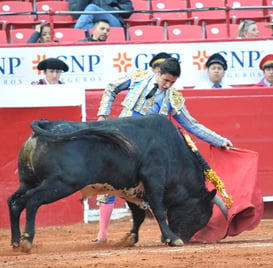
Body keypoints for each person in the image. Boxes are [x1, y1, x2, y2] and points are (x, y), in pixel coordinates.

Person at [93, 57, 233, 243]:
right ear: (157, 72)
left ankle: (165, 231)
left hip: (146, 152)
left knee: (154, 188)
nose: (168, 85)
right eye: (166, 80)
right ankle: (102, 236)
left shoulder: (173, 98)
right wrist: (103, 114)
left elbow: (192, 125)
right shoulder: (138, 77)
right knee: (108, 183)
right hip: (121, 140)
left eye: (172, 82)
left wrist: (220, 140)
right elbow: (111, 88)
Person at [69, 0, 134, 31]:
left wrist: (118, 7)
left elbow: (128, 10)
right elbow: (76, 14)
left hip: (113, 22)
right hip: (93, 25)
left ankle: (76, 33)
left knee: (92, 8)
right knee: (90, 28)